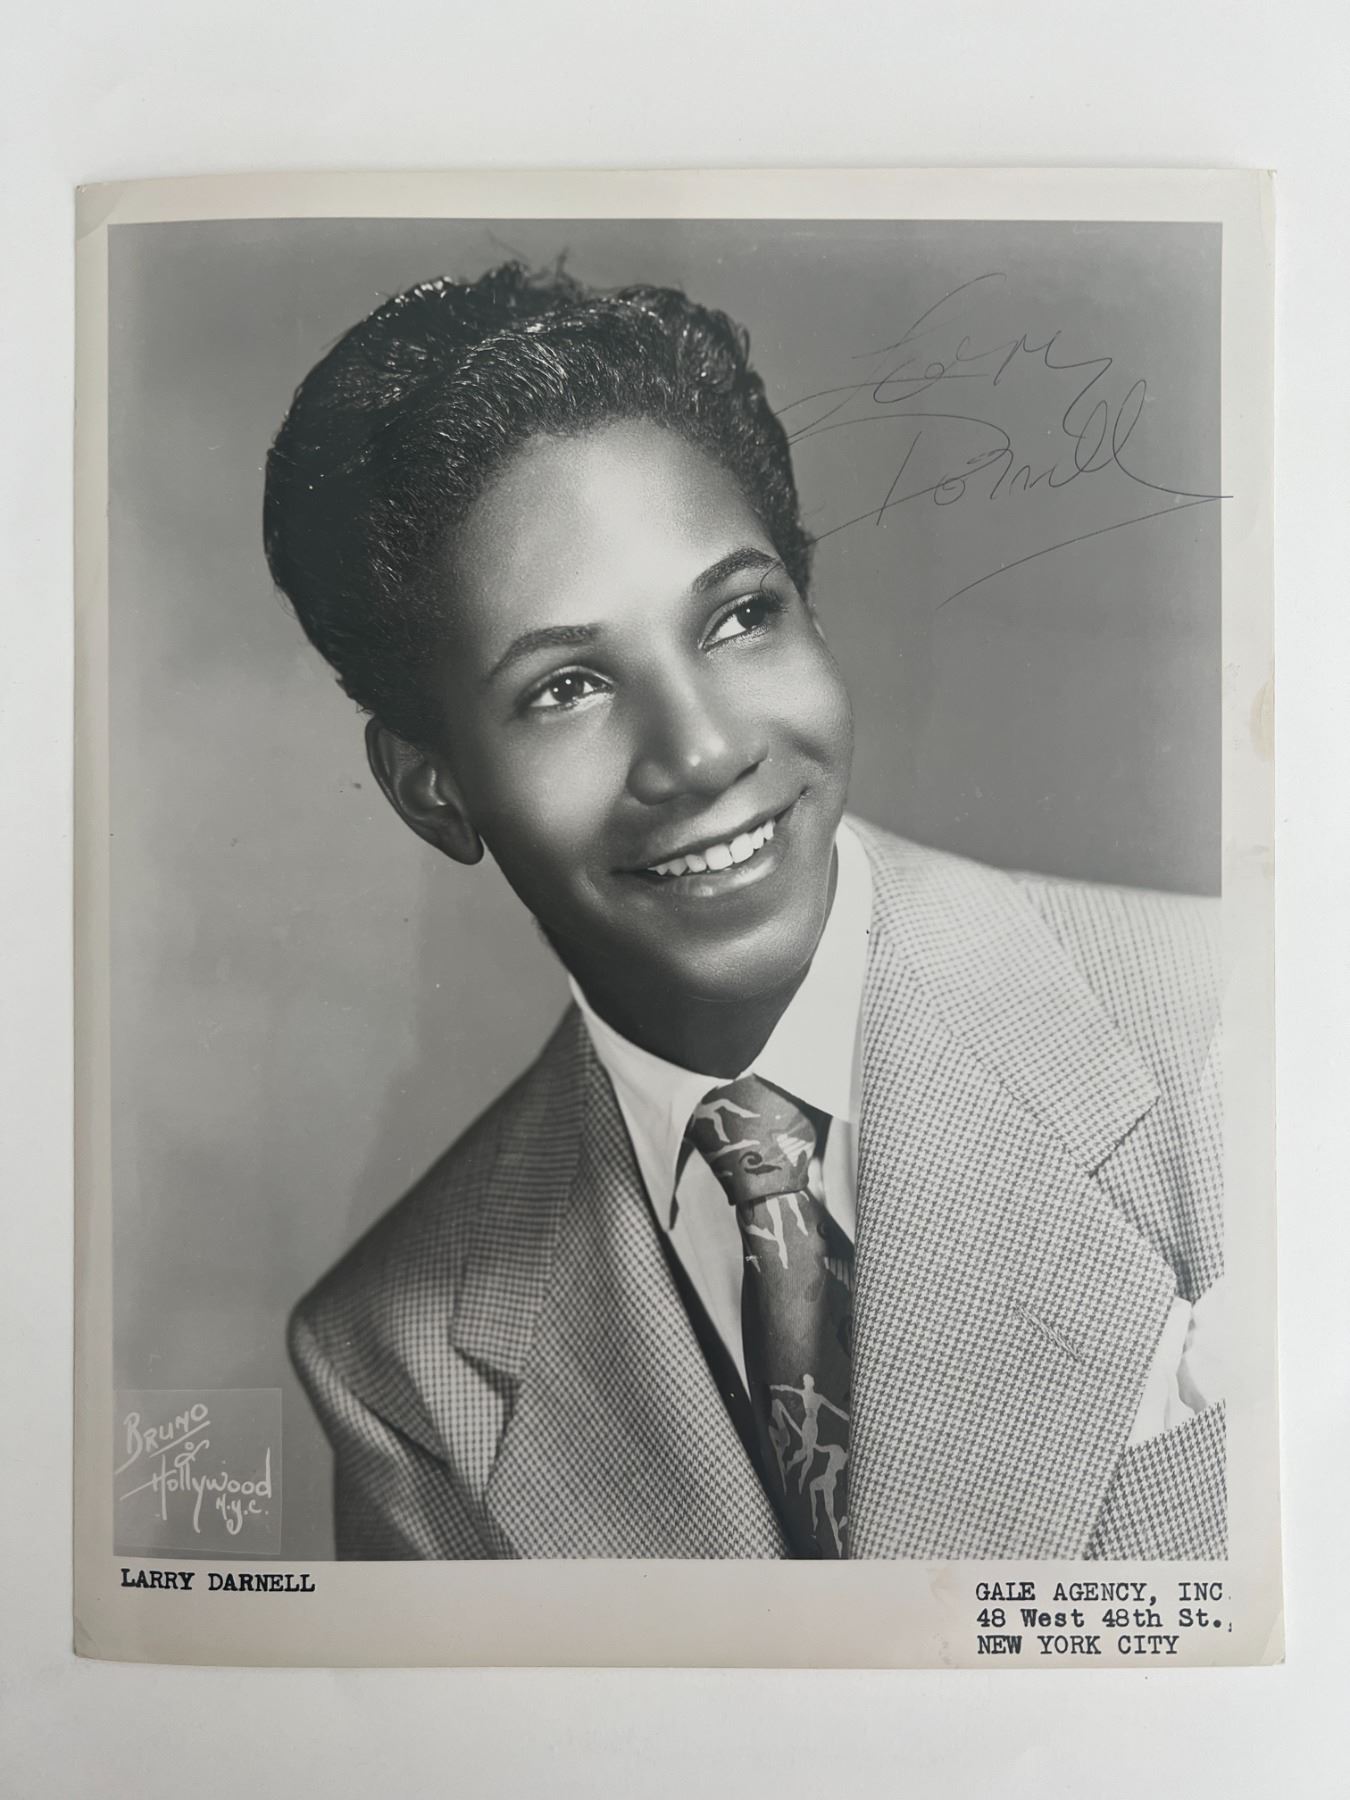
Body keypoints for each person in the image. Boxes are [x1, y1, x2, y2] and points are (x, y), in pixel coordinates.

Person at [264, 263, 1224, 1561]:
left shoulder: (1238, 1022)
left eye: (737, 617)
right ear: (433, 788)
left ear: (809, 612)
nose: (703, 751)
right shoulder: (398, 1365)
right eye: (565, 687)